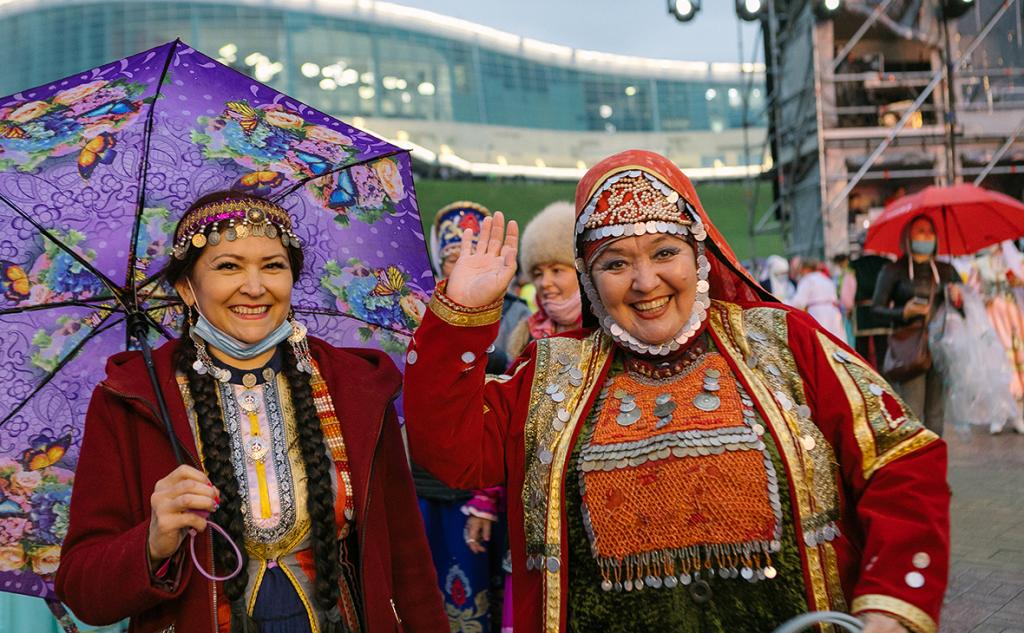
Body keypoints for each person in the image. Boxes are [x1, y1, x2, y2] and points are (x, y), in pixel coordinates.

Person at [404, 150, 950, 633]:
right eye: (616, 263)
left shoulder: (784, 343)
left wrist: (891, 604)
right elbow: (447, 450)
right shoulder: (549, 375)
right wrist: (462, 318)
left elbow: (900, 457)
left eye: (665, 252)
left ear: (699, 255)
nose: (645, 282)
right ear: (591, 279)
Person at [56, 192, 445, 632]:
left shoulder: (356, 389)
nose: (255, 287)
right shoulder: (133, 400)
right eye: (228, 266)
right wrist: (153, 541)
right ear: (187, 288)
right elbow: (83, 592)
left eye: (273, 266)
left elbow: (409, 563)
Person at [421, 201, 528, 632]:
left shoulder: (515, 314)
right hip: (420, 478)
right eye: (451, 257)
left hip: (476, 480)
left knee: (473, 593)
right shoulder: (413, 306)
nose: (459, 264)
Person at [872, 215, 963, 436]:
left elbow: (963, 311)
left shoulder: (946, 269)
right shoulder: (893, 270)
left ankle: (934, 461)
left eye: (930, 231)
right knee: (911, 412)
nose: (926, 236)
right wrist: (903, 312)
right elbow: (875, 310)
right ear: (908, 236)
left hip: (941, 347)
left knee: (936, 412)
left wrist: (959, 299)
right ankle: (914, 463)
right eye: (920, 231)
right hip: (909, 349)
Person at [506, 201, 583, 357]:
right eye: (538, 274)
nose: (544, 283)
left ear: (582, 272)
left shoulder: (608, 331)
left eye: (556, 270)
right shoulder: (526, 334)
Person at [788, 258, 847, 342]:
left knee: (822, 341)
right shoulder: (826, 279)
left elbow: (799, 302)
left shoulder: (807, 279)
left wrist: (784, 302)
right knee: (836, 341)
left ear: (805, 269)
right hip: (834, 313)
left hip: (818, 313)